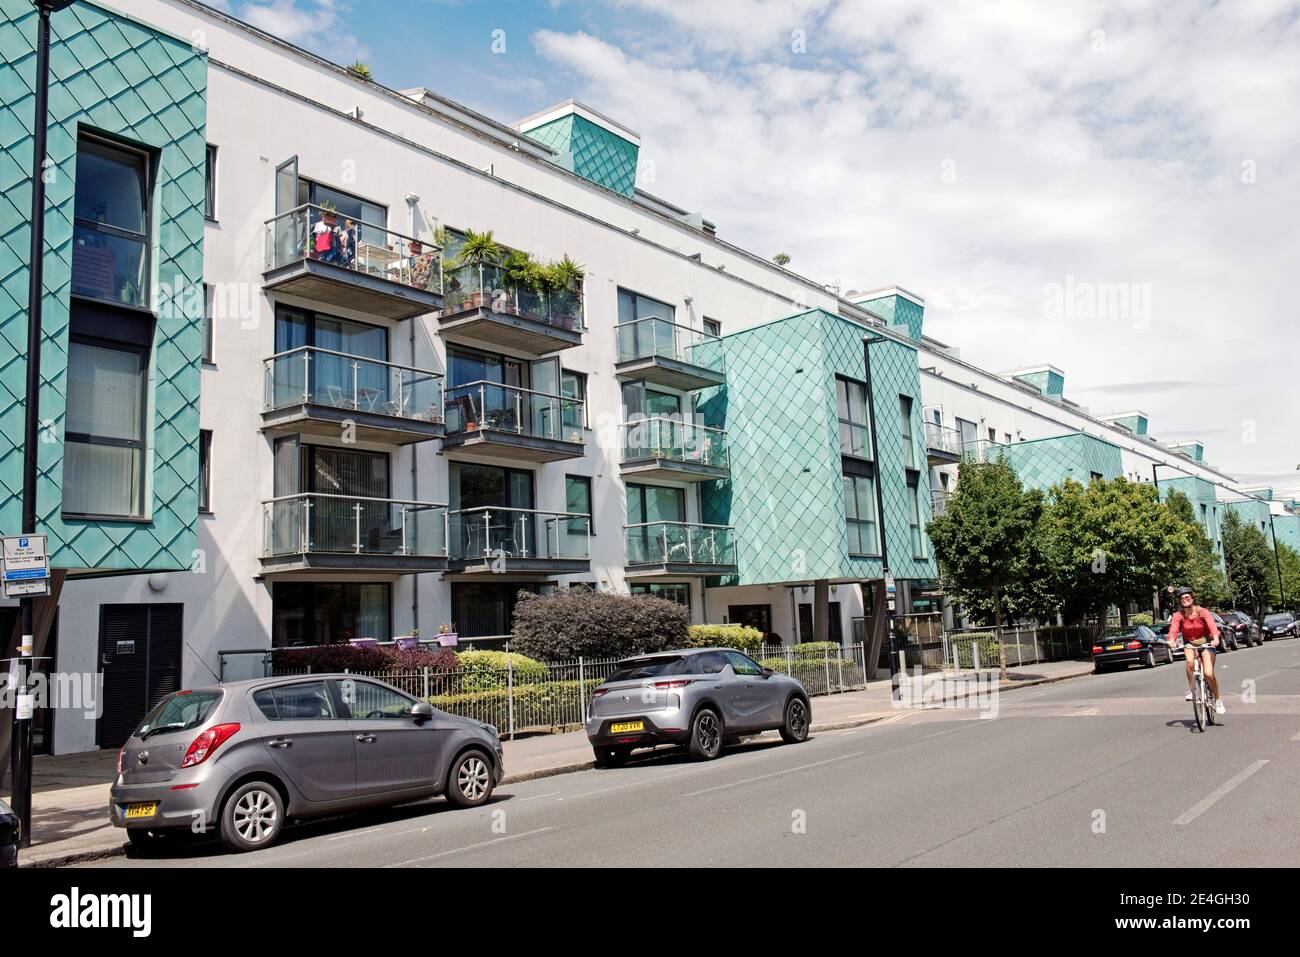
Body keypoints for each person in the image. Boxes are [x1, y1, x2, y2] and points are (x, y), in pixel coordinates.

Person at [1168, 586, 1224, 714]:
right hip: (1190, 643)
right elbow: (1174, 630)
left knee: (1209, 674)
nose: (1184, 600)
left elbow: (1212, 625)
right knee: (1190, 662)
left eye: (1187, 597)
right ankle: (1192, 690)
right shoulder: (1178, 615)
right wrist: (1172, 640)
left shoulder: (1202, 612)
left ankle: (1218, 700)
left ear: (1193, 598)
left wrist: (1215, 638)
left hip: (1206, 643)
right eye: (1182, 599)